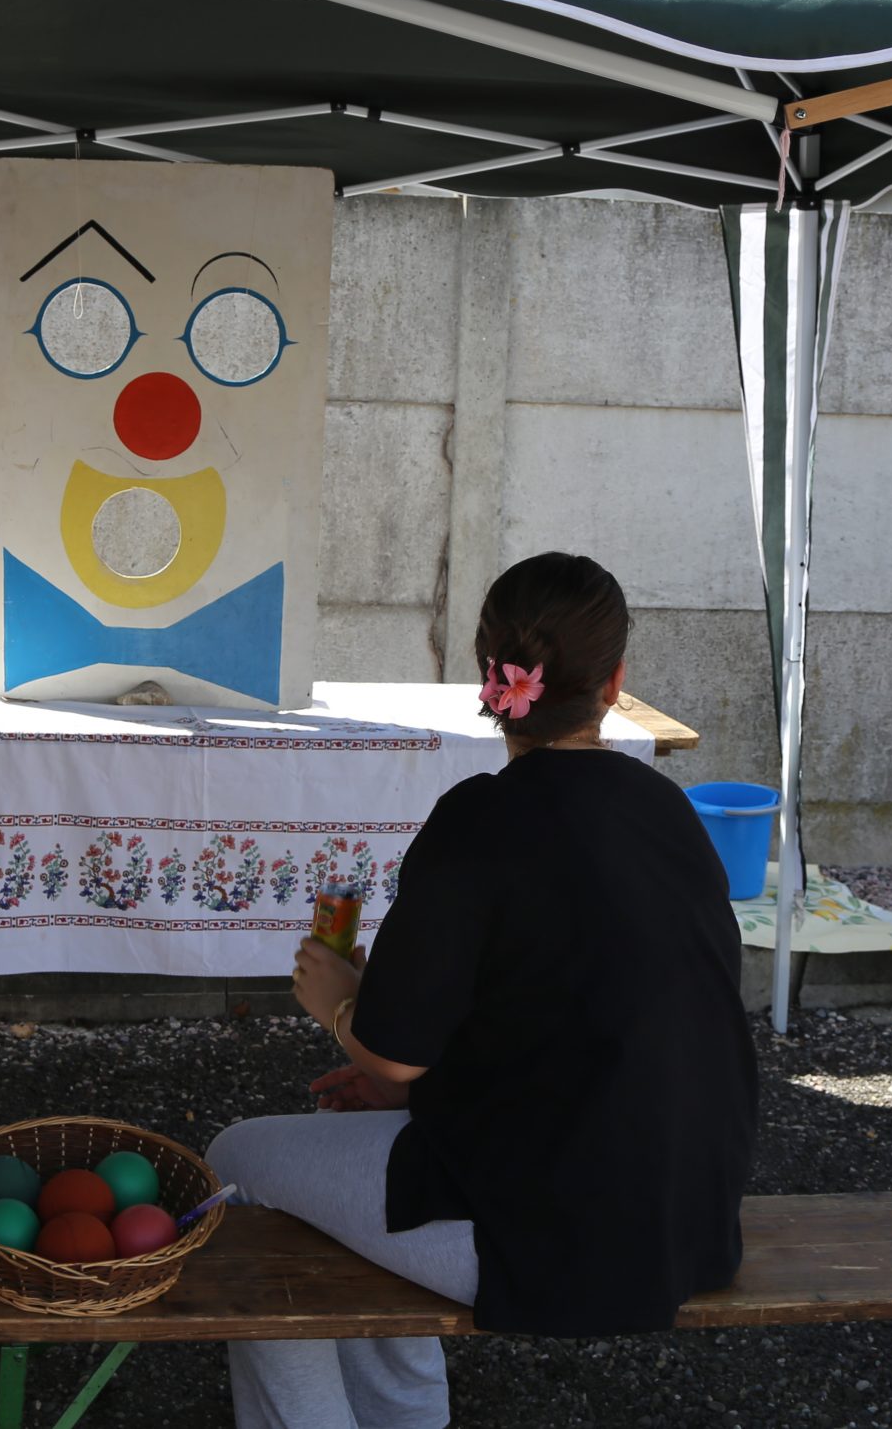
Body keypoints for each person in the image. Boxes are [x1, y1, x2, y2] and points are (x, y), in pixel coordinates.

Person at [208, 551, 756, 1428]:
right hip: (691, 1214)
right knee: (343, 1156)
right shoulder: (669, 812)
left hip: (554, 1238)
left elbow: (393, 1048)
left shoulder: (481, 816)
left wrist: (338, 1002)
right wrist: (403, 1089)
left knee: (239, 1159)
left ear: (490, 677)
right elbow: (587, 1017)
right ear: (616, 683)